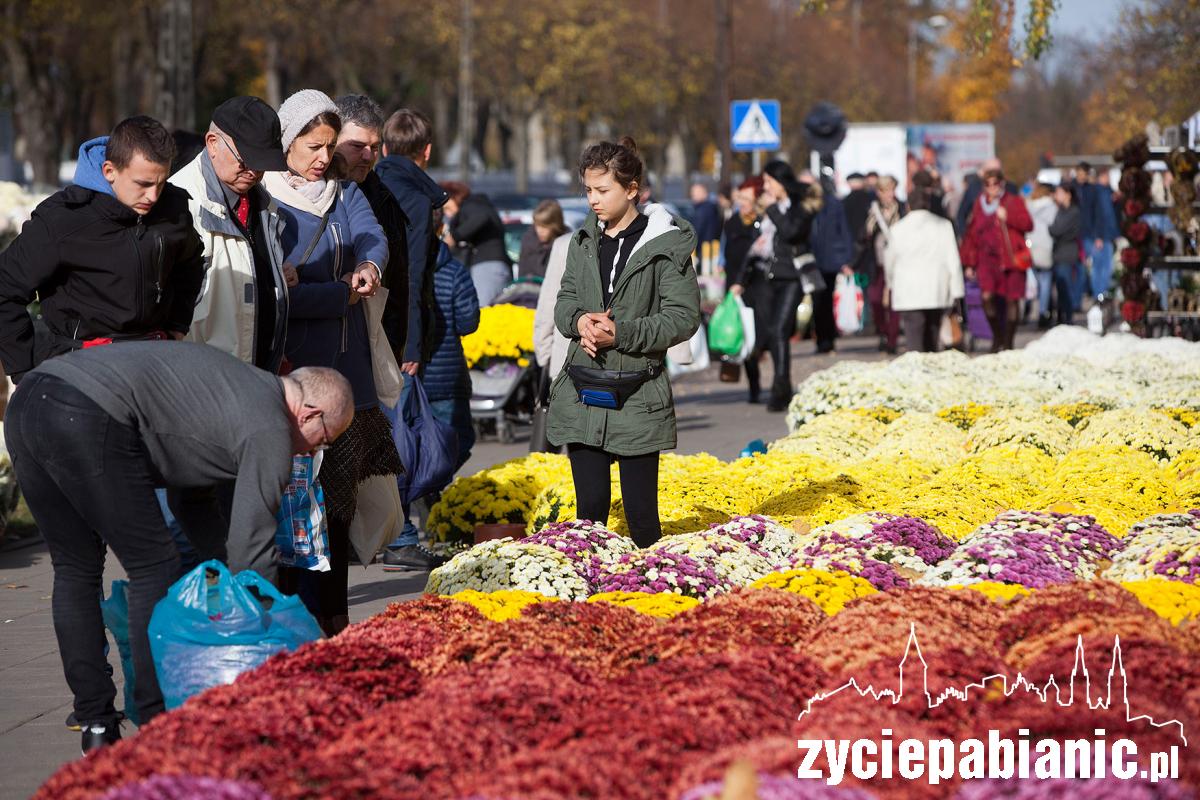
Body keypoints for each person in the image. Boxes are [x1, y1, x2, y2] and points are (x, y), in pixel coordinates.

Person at [5, 341, 352, 745]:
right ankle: (156, 722)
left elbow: (191, 498)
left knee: (75, 569)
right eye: (323, 440)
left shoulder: (235, 389)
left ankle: (96, 725)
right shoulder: (271, 425)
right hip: (87, 410)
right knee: (154, 565)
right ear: (311, 413)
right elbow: (252, 549)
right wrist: (266, 624)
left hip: (31, 401)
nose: (312, 450)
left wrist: (218, 569)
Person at [264, 89, 399, 636]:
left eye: (327, 146)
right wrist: (338, 295)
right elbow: (277, 293)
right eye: (312, 146)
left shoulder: (343, 194)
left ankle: (335, 626)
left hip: (349, 379)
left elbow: (374, 236)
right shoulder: (264, 200)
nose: (323, 158)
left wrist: (367, 266)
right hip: (292, 377)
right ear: (286, 142)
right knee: (290, 508)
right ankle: (288, 625)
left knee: (336, 508)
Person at [547, 137, 700, 548]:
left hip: (638, 391)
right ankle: (589, 601)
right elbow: (564, 303)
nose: (593, 200)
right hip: (584, 386)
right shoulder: (582, 240)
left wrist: (622, 333)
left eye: (603, 191)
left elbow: (682, 318)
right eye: (588, 191)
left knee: (641, 516)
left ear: (632, 189)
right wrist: (579, 322)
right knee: (589, 512)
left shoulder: (665, 244)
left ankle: (649, 602)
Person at [0, 116, 204, 383]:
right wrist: (25, 370)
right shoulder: (63, 219)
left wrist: (177, 325)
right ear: (109, 171)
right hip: (80, 372)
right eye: (142, 184)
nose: (153, 196)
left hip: (154, 368)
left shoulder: (173, 208)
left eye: (161, 183)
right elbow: (5, 288)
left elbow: (190, 263)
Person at [374, 108, 449, 570]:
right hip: (398, 330)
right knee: (404, 434)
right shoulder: (418, 201)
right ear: (426, 151)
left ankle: (391, 529)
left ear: (383, 148)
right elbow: (413, 273)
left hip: (364, 317)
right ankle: (401, 534)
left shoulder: (370, 185)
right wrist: (412, 346)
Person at [169, 97, 292, 371]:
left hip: (256, 379)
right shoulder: (178, 207)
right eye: (245, 160)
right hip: (201, 383)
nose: (254, 172)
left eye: (262, 163)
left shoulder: (264, 205)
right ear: (212, 143)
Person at [732, 160, 816, 410]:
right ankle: (782, 386)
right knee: (771, 332)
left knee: (780, 330)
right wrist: (739, 281)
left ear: (781, 182)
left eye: (769, 181)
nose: (766, 186)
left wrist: (773, 210)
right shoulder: (769, 210)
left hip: (793, 276)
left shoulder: (800, 205)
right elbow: (755, 248)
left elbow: (792, 232)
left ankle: (781, 389)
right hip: (769, 278)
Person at [335, 94, 410, 360]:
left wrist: (394, 350)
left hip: (370, 348)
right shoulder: (297, 194)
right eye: (357, 146)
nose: (368, 156)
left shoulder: (385, 201)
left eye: (375, 147)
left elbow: (399, 286)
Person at [411, 243, 479, 468]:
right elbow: (468, 322)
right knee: (458, 441)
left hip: (410, 375)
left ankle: (424, 491)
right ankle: (434, 489)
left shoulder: (405, 267)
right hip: (448, 379)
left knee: (413, 444)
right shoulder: (455, 271)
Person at [884, 173, 963, 352]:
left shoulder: (897, 229)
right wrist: (957, 291)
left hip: (908, 290)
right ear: (928, 204)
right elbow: (953, 260)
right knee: (932, 337)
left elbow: (890, 260)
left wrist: (890, 283)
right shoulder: (943, 226)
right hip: (936, 288)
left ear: (908, 205)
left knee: (913, 338)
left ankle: (917, 371)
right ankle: (931, 369)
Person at [959, 167, 1034, 352]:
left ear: (1001, 184)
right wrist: (969, 262)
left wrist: (1008, 217)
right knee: (987, 297)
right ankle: (997, 336)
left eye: (995, 183)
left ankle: (1008, 342)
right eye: (988, 184)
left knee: (1011, 301)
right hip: (987, 260)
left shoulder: (1013, 202)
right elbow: (972, 234)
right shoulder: (979, 204)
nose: (992, 187)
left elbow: (1028, 224)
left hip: (1010, 260)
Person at [804, 174, 855, 354]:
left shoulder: (832, 204)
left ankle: (828, 338)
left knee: (825, 299)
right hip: (812, 260)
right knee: (817, 301)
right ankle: (823, 340)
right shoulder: (805, 205)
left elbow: (843, 231)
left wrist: (846, 260)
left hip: (829, 260)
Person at [441, 180, 512, 306]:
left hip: (488, 266)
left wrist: (454, 237)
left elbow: (482, 217)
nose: (447, 213)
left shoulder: (472, 205)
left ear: (453, 197)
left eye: (446, 207)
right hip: (490, 266)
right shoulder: (478, 204)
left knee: (484, 312)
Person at [863, 175, 906, 354]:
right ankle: (883, 331)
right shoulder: (872, 211)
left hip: (897, 263)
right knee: (875, 300)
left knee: (894, 303)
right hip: (877, 263)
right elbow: (863, 237)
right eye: (885, 190)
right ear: (878, 192)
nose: (890, 194)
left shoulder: (902, 209)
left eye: (892, 189)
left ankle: (892, 339)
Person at [1075, 162, 1120, 302]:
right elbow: (1099, 215)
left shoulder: (1096, 190)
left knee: (1102, 266)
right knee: (1099, 266)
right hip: (1095, 235)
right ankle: (1098, 294)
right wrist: (1098, 235)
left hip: (1099, 234)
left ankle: (1099, 294)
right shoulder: (1093, 191)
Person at [955, 157, 1018, 237]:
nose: (994, 176)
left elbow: (1020, 215)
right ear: (984, 172)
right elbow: (961, 215)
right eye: (991, 172)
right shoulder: (974, 188)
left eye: (997, 171)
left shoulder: (1010, 188)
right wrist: (967, 236)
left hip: (1005, 238)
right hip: (981, 239)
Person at [1048, 183, 1083, 326]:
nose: (1057, 196)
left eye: (1059, 192)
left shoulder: (1073, 211)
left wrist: (1053, 229)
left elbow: (1056, 230)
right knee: (1060, 288)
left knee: (1065, 288)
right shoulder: (1061, 210)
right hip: (1059, 252)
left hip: (1067, 254)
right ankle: (1062, 317)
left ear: (1068, 194)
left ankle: (1067, 319)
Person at [1026, 182, 1057, 328]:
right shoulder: (1052, 207)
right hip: (1045, 246)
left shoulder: (1029, 205)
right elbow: (1054, 225)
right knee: (1045, 282)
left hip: (1030, 245)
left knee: (1034, 281)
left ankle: (1029, 307)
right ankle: (1043, 312)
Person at [517, 199, 568, 279]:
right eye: (537, 225)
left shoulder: (566, 243)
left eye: (544, 226)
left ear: (555, 226)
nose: (540, 231)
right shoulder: (528, 242)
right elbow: (522, 274)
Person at [689, 181, 722, 252]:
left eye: (696, 192)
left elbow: (697, 231)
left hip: (704, 248)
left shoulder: (704, 209)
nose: (693, 194)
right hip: (707, 247)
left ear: (704, 193)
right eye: (692, 192)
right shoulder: (710, 207)